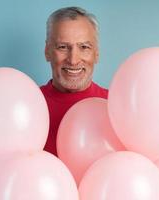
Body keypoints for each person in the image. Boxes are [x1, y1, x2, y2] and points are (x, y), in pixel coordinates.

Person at [40, 7, 108, 156]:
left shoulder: (114, 106)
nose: (73, 60)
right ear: (47, 51)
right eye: (63, 47)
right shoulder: (28, 104)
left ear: (96, 53)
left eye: (84, 47)